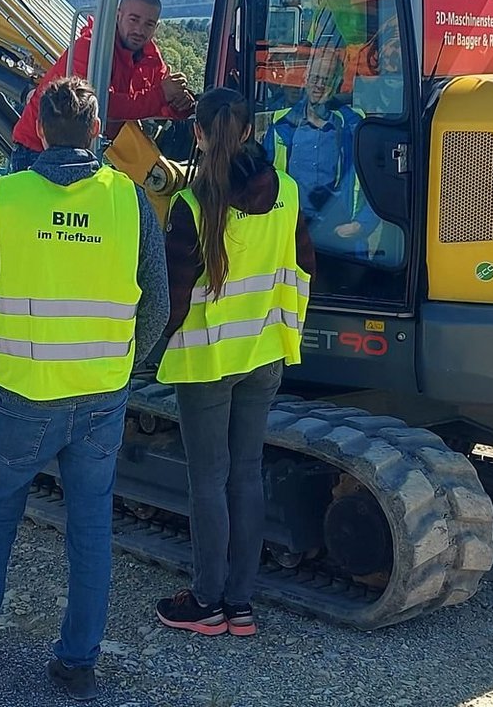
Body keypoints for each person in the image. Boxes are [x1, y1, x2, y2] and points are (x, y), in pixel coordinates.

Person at [0, 77, 169, 701]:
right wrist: (129, 366)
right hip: (101, 396)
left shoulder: (4, 197)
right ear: (97, 127)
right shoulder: (129, 200)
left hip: (22, 393)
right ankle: (77, 666)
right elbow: (158, 303)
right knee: (90, 530)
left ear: (39, 128)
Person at [152, 88, 314, 637]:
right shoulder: (287, 194)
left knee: (208, 481)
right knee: (246, 474)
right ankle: (240, 603)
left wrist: (140, 353)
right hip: (265, 352)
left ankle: (206, 600)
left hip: (205, 364)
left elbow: (173, 300)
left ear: (197, 133)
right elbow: (304, 270)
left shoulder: (192, 206)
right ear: (249, 132)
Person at [8, 0, 195, 171]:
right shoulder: (90, 48)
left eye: (148, 24)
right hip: (37, 150)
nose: (139, 30)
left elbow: (158, 104)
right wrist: (163, 94)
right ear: (118, 15)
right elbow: (100, 106)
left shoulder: (150, 58)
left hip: (82, 152)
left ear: (156, 27)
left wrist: (180, 105)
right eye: (134, 19)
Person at [266, 53, 380, 259]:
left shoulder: (355, 127)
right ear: (306, 78)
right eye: (315, 78)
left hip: (342, 239)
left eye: (326, 80)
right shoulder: (281, 125)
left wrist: (362, 224)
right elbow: (263, 181)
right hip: (294, 235)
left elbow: (376, 181)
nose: (319, 85)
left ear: (337, 84)